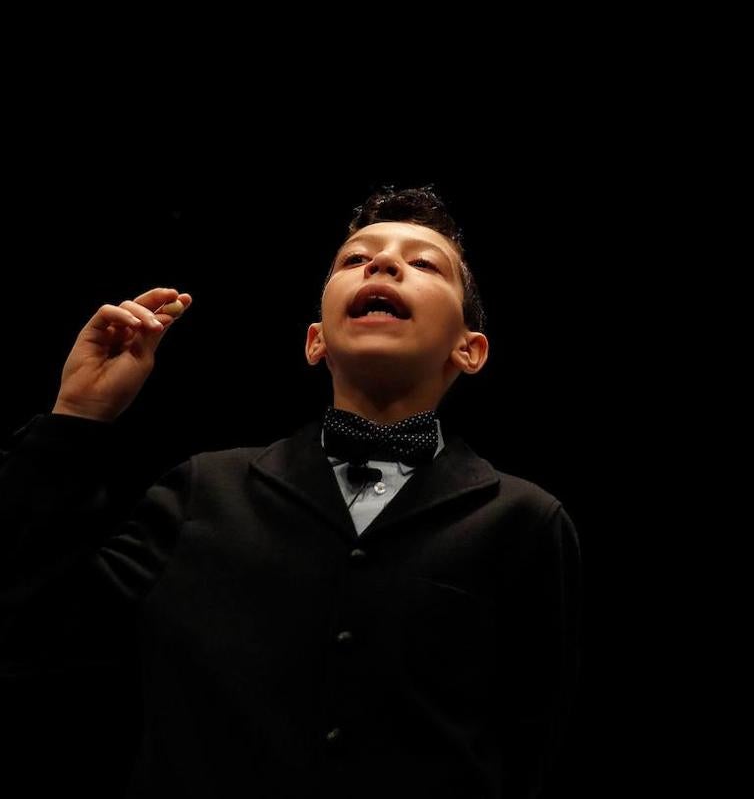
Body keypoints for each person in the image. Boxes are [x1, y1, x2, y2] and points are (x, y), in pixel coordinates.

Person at [0, 186, 581, 798]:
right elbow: (33, 631)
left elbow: (535, 752)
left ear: (470, 349)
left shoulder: (525, 522)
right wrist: (75, 417)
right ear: (315, 341)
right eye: (355, 260)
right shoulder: (203, 492)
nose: (383, 264)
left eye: (424, 264)